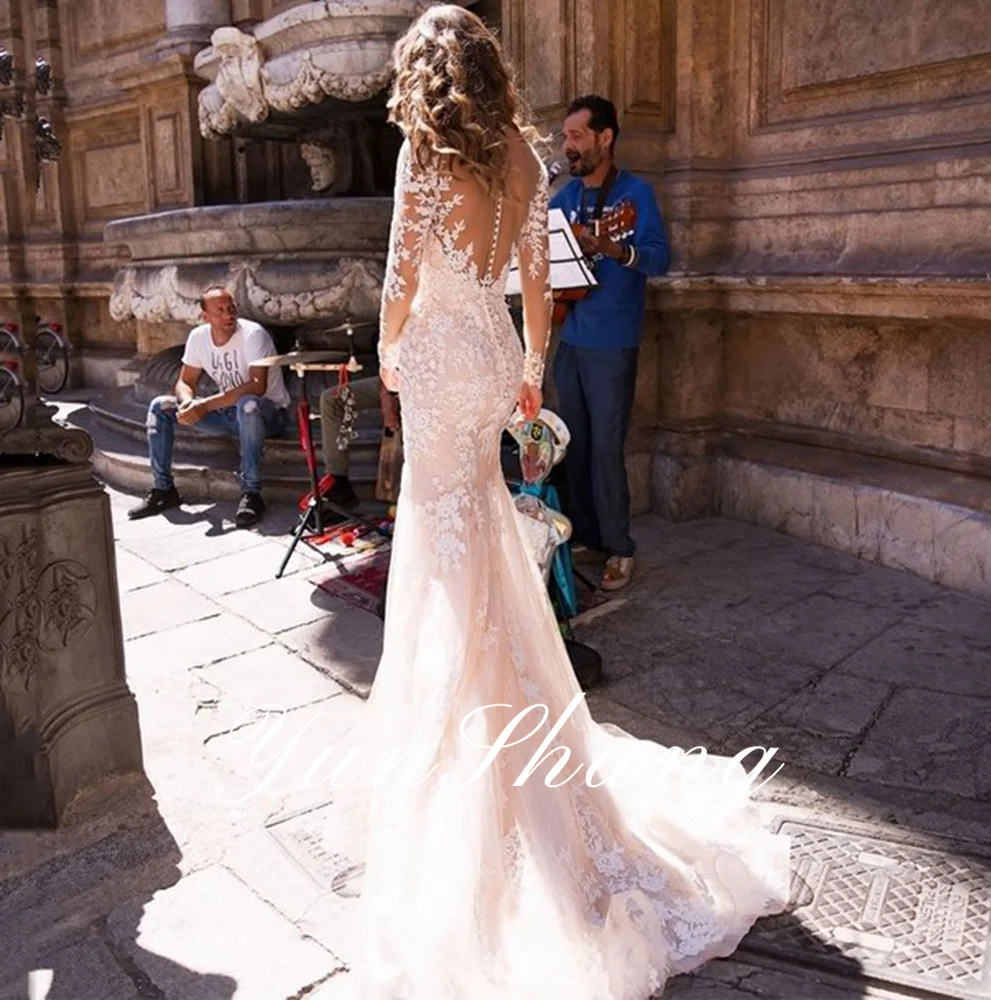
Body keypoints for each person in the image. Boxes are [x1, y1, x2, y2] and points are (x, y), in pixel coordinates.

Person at [349, 6, 789, 999]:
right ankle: (508, 744)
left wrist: (384, 356)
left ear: (424, 79)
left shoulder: (424, 158)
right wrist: (530, 369)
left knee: (441, 553)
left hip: (435, 363)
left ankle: (464, 765)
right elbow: (537, 280)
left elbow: (398, 281)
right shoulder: (518, 158)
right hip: (498, 360)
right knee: (487, 548)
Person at [550, 95, 670, 591]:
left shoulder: (636, 195)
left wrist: (615, 248)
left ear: (605, 137)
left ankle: (620, 548)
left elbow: (660, 260)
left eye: (577, 136)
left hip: (613, 342)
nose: (568, 147)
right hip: (569, 337)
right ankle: (588, 534)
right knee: (571, 447)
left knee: (605, 449)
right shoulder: (561, 199)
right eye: (565, 137)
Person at [127, 288, 290, 528]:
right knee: (160, 406)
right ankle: (163, 490)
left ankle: (252, 494)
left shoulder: (253, 334)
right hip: (228, 414)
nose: (228, 315)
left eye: (231, 308)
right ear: (205, 317)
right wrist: (188, 402)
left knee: (248, 405)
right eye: (220, 311)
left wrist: (205, 405)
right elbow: (184, 381)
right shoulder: (198, 337)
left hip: (268, 415)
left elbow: (257, 386)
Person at [317, 374, 401, 513]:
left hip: (429, 379)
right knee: (331, 399)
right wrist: (387, 400)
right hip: (394, 378)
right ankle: (338, 485)